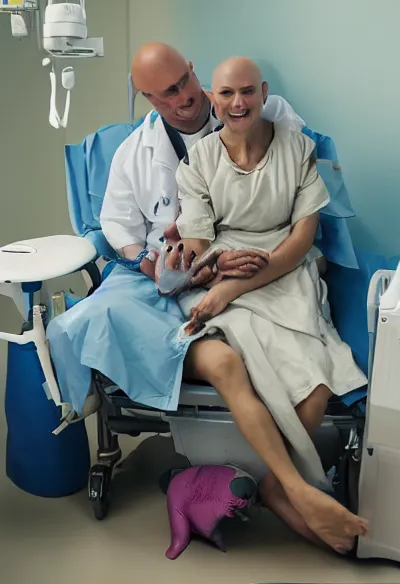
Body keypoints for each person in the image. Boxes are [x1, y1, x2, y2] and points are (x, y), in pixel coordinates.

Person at [167, 56, 369, 553]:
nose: (238, 103)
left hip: (285, 271)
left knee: (318, 385)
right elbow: (197, 238)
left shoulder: (299, 150)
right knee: (243, 352)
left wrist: (231, 290)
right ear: (213, 99)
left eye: (247, 92)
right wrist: (205, 265)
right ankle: (296, 490)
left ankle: (278, 489)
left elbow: (302, 242)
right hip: (227, 263)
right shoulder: (197, 162)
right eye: (227, 94)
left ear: (262, 92)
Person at [46, 43, 291, 418]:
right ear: (147, 99)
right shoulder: (133, 153)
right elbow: (118, 225)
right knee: (71, 326)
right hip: (167, 268)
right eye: (168, 94)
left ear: (193, 69)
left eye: (184, 82)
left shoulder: (249, 115)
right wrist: (146, 261)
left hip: (243, 255)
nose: (185, 99)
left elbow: (293, 175)